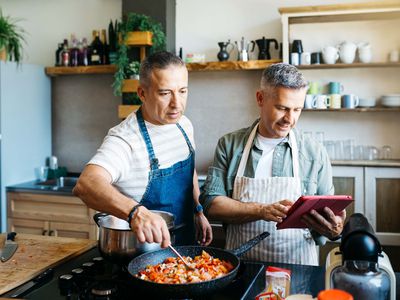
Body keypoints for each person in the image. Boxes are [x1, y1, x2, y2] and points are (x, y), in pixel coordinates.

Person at [200, 63, 345, 265]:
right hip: (242, 266)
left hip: (297, 266)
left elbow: (331, 216)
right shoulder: (230, 145)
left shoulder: (314, 152)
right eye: (282, 108)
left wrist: (335, 230)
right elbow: (212, 204)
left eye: (297, 109)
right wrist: (261, 210)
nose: (290, 119)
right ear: (260, 98)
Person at [73, 51, 212, 248]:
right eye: (165, 93)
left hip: (187, 246)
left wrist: (198, 210)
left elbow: (190, 173)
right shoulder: (126, 139)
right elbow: (86, 184)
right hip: (145, 256)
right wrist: (135, 212)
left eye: (182, 91)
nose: (176, 104)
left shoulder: (184, 125)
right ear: (142, 93)